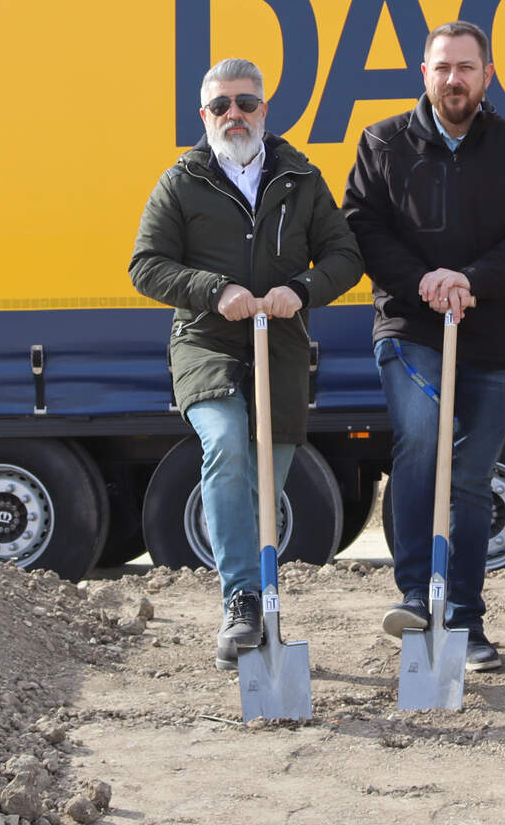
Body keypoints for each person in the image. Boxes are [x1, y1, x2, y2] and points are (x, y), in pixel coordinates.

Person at [127, 57, 363, 670]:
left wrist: (303, 290)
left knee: (267, 482)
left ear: (265, 110)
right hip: (205, 340)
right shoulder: (180, 181)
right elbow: (145, 264)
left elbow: (344, 254)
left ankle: (261, 596)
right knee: (227, 443)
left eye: (246, 103)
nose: (235, 114)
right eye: (222, 105)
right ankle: (239, 598)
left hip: (280, 343)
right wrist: (215, 291)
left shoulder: (302, 178)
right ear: (203, 115)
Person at [342, 21, 505, 673]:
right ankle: (416, 595)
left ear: (488, 75)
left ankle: (463, 614)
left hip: (496, 334)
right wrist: (424, 282)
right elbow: (362, 228)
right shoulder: (382, 143)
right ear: (425, 72)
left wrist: (473, 280)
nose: (454, 79)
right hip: (411, 329)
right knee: (421, 441)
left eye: (467, 67)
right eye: (443, 67)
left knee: (468, 478)